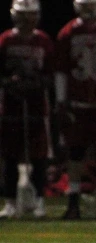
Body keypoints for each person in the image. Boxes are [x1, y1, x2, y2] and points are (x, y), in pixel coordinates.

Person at [56, 0, 96, 220]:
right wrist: (61, 99)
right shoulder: (68, 32)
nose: (89, 10)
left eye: (92, 5)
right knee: (75, 153)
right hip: (78, 102)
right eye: (85, 6)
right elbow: (62, 69)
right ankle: (73, 201)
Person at [0, 0, 53, 220]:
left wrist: (37, 82)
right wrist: (10, 82)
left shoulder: (43, 41)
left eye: (30, 15)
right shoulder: (5, 40)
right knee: (10, 156)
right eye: (22, 15)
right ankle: (10, 202)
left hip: (36, 104)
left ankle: (40, 200)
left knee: (39, 157)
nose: (26, 20)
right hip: (11, 104)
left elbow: (51, 73)